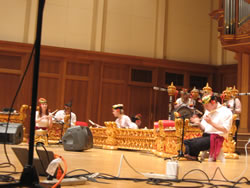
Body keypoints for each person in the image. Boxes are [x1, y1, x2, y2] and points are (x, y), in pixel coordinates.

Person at [184, 94, 233, 161]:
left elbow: (225, 129)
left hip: (216, 137)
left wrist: (211, 123)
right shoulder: (208, 111)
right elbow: (204, 129)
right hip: (206, 135)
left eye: (207, 105)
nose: (206, 108)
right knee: (185, 142)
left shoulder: (226, 112)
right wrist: (198, 123)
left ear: (213, 102)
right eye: (204, 106)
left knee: (193, 143)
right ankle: (192, 155)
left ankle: (192, 155)